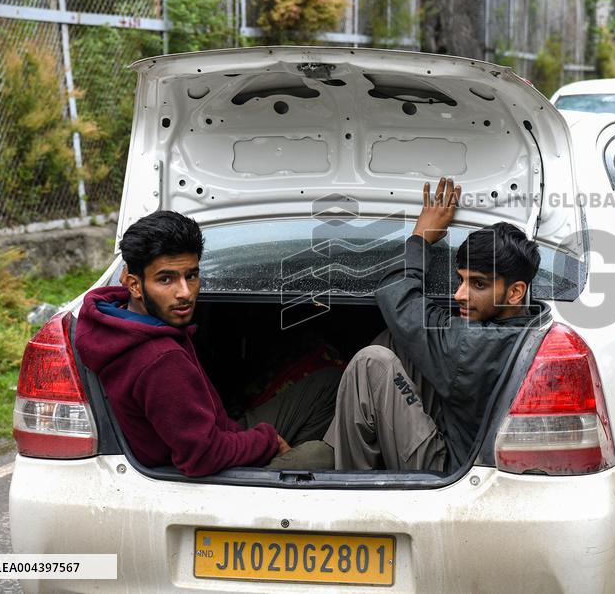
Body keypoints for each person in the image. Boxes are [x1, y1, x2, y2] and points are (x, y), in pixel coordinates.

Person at [74, 211, 341, 476]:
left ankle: (286, 457)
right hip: (193, 473)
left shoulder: (114, 318)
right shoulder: (160, 359)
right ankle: (282, 474)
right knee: (319, 455)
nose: (185, 293)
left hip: (212, 432)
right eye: (166, 279)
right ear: (134, 285)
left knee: (326, 384)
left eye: (191, 275)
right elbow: (201, 456)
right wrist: (267, 442)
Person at [322, 177, 550, 472]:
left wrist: (422, 234)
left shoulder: (472, 344)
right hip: (463, 434)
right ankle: (334, 446)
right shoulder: (535, 326)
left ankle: (351, 483)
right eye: (461, 279)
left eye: (478, 284)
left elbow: (398, 295)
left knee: (370, 363)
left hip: (450, 466)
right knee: (395, 343)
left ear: (516, 291)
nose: (459, 294)